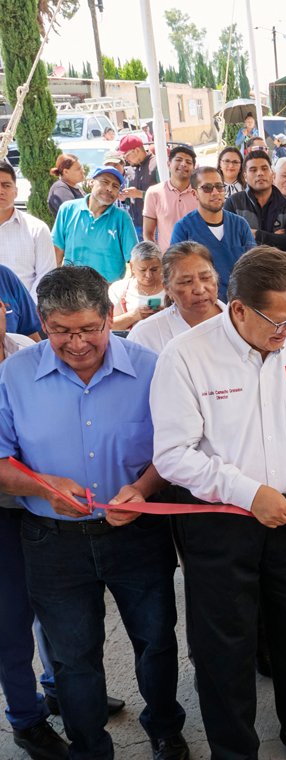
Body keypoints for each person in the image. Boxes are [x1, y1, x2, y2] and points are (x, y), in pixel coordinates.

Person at [151, 246, 286, 760]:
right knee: (225, 645)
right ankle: (234, 750)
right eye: (276, 321)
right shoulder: (187, 356)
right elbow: (172, 456)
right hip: (221, 521)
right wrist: (247, 493)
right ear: (237, 309)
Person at [0, 265, 189, 760]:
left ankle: (166, 728)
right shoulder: (14, 376)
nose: (76, 342)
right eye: (61, 330)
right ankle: (89, 748)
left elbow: (175, 451)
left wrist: (144, 489)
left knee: (154, 640)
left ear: (110, 316)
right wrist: (41, 487)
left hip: (137, 533)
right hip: (51, 540)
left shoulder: (152, 368)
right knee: (72, 659)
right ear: (42, 320)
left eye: (88, 328)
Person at [0, 299, 72, 760]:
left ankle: (59, 689)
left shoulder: (26, 347)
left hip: (43, 508)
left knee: (55, 605)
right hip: (6, 508)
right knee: (10, 621)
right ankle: (26, 720)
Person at [169, 166, 256, 301]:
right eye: (207, 188)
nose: (215, 192)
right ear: (194, 193)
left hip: (240, 304)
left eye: (219, 186)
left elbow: (253, 267)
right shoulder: (183, 229)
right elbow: (177, 275)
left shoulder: (240, 225)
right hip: (202, 306)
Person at [128, 241, 224, 353]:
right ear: (168, 289)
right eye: (186, 282)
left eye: (206, 278)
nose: (200, 290)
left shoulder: (240, 323)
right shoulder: (144, 337)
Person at [51, 167, 137, 281]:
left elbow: (134, 259)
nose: (109, 188)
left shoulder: (122, 218)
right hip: (72, 290)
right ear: (91, 182)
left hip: (108, 293)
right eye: (105, 182)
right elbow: (57, 250)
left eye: (115, 186)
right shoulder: (67, 210)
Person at [223, 150, 286, 253]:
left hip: (280, 266)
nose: (260, 173)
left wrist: (256, 234)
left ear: (272, 174)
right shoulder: (233, 203)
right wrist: (275, 238)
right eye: (253, 170)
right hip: (246, 266)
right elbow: (230, 242)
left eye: (264, 169)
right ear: (245, 177)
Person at [0, 160, 55, 298]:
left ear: (16, 192)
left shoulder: (37, 229)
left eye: (6, 185)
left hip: (24, 312)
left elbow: (46, 276)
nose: (1, 191)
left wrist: (28, 310)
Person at [142, 145, 197, 251]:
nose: (183, 164)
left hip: (197, 259)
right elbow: (148, 233)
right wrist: (157, 259)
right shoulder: (154, 193)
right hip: (167, 260)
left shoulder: (200, 193)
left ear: (193, 169)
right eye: (178, 160)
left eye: (188, 162)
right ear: (168, 164)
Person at [109, 240, 165, 331]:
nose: (148, 275)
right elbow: (108, 326)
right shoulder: (119, 290)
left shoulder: (172, 288)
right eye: (142, 270)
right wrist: (134, 315)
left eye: (154, 269)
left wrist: (170, 315)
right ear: (132, 266)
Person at [118, 135, 161, 235]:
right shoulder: (130, 169)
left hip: (155, 226)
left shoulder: (156, 165)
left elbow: (165, 196)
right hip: (136, 226)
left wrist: (139, 194)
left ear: (137, 150)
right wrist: (124, 198)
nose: (125, 159)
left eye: (126, 154)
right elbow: (131, 201)